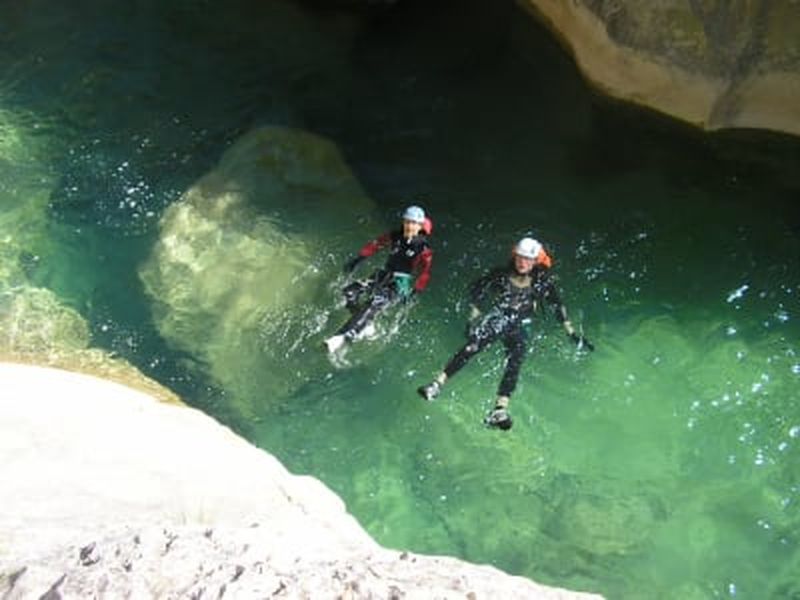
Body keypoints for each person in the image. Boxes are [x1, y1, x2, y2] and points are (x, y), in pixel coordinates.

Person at [417, 236, 593, 430]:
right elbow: (480, 294)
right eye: (520, 257)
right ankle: (436, 384)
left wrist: (571, 332)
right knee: (472, 346)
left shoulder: (541, 281)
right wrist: (471, 320)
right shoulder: (501, 275)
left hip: (520, 324)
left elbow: (557, 305)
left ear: (535, 261)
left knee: (515, 360)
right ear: (514, 256)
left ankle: (499, 410)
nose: (523, 262)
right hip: (499, 317)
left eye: (527, 258)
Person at [324, 205, 433, 353]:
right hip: (382, 275)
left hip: (399, 284)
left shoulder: (423, 248)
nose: (409, 226)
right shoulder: (396, 236)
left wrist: (416, 292)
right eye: (407, 221)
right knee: (349, 292)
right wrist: (359, 258)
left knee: (372, 305)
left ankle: (340, 338)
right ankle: (365, 324)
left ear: (419, 225)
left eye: (413, 223)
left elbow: (425, 273)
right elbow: (376, 244)